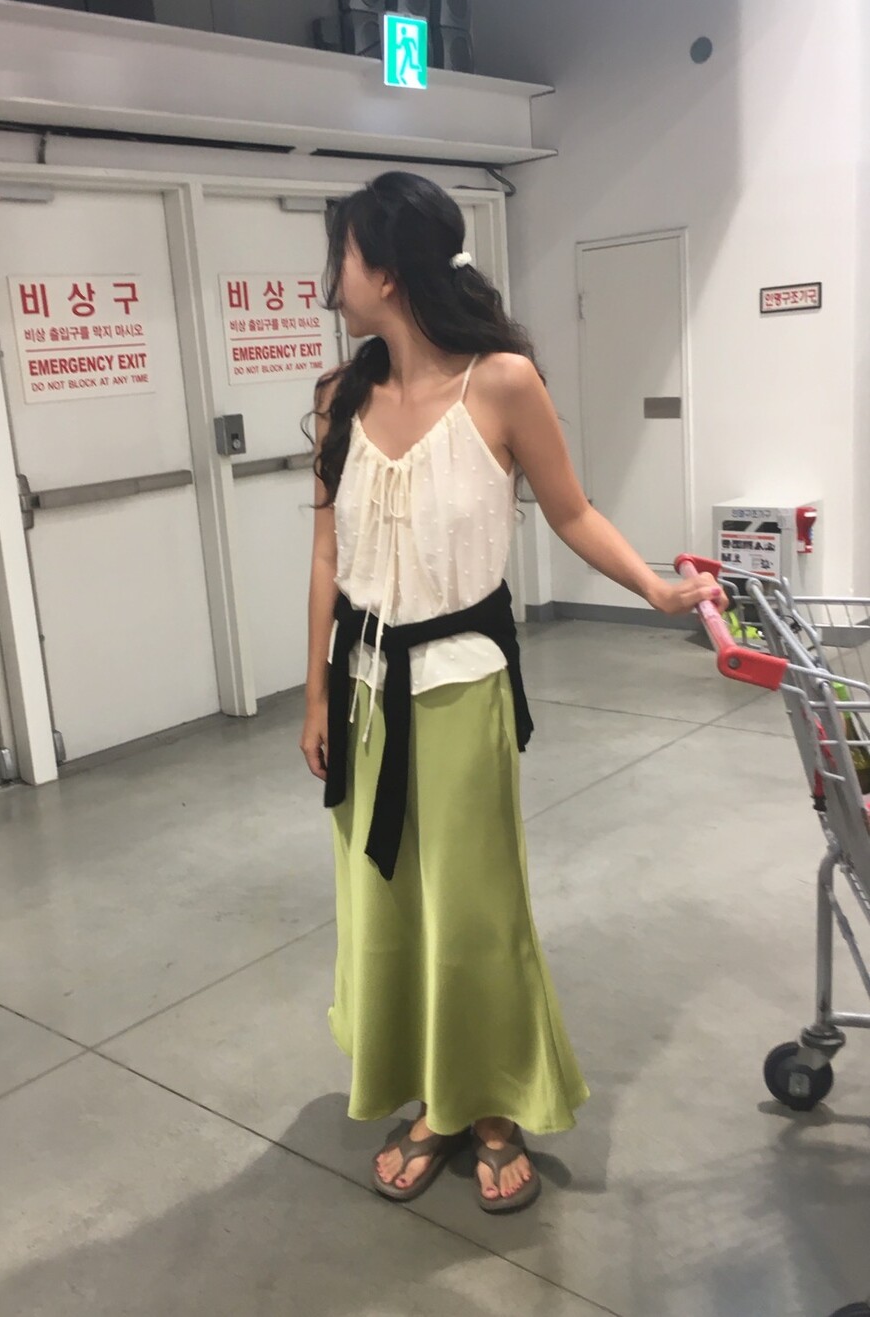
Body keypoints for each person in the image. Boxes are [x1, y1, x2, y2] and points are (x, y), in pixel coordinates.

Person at [300, 171, 725, 1214]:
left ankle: (487, 1106)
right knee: (385, 905)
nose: (329, 281)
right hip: (363, 693)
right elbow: (327, 556)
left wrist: (655, 588)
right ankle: (431, 1096)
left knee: (474, 911)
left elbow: (570, 511)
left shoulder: (501, 383)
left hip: (460, 689)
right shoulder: (340, 396)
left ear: (385, 271)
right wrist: (313, 697)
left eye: (341, 258)